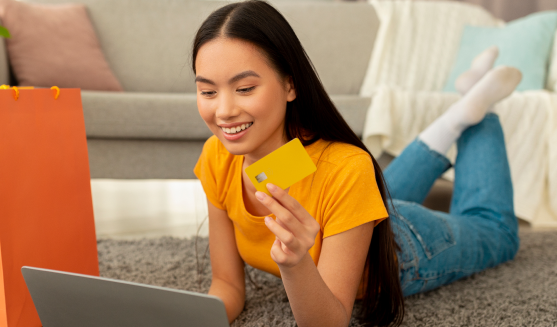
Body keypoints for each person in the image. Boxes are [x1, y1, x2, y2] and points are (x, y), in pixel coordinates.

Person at [191, 1, 522, 326]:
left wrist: (296, 264)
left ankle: (480, 109)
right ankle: (461, 108)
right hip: (354, 215)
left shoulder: (346, 168)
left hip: (405, 247)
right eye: (208, 92)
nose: (224, 111)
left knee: (498, 232)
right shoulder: (218, 157)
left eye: (245, 88)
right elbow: (228, 285)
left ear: (290, 84)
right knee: (358, 180)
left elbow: (330, 320)